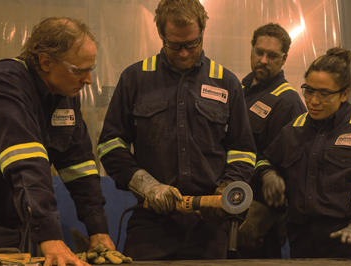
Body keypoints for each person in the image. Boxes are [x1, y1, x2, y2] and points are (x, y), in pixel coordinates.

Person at [96, 0, 256, 260]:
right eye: (175, 44)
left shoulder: (226, 83)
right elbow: (110, 145)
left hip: (209, 226)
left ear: (203, 31)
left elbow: (243, 151)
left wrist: (225, 189)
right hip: (151, 224)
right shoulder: (135, 79)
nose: (184, 53)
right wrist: (148, 186)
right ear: (161, 34)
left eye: (191, 43)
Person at [0, 17, 114, 265]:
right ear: (46, 62)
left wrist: (98, 230)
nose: (88, 80)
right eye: (79, 70)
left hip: (13, 228)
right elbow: (25, 163)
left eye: (90, 69)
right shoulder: (5, 83)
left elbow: (79, 166)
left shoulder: (64, 94)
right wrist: (50, 237)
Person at [256, 47, 351, 258]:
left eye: (324, 94)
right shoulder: (294, 129)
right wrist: (269, 175)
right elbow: (265, 160)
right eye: (309, 91)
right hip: (303, 245)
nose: (313, 100)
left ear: (344, 94)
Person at [235, 23, 306, 258]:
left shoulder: (288, 102)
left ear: (284, 59)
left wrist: (259, 221)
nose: (263, 60)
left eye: (272, 55)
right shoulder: (238, 91)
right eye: (259, 52)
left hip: (257, 221)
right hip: (228, 207)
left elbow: (288, 168)